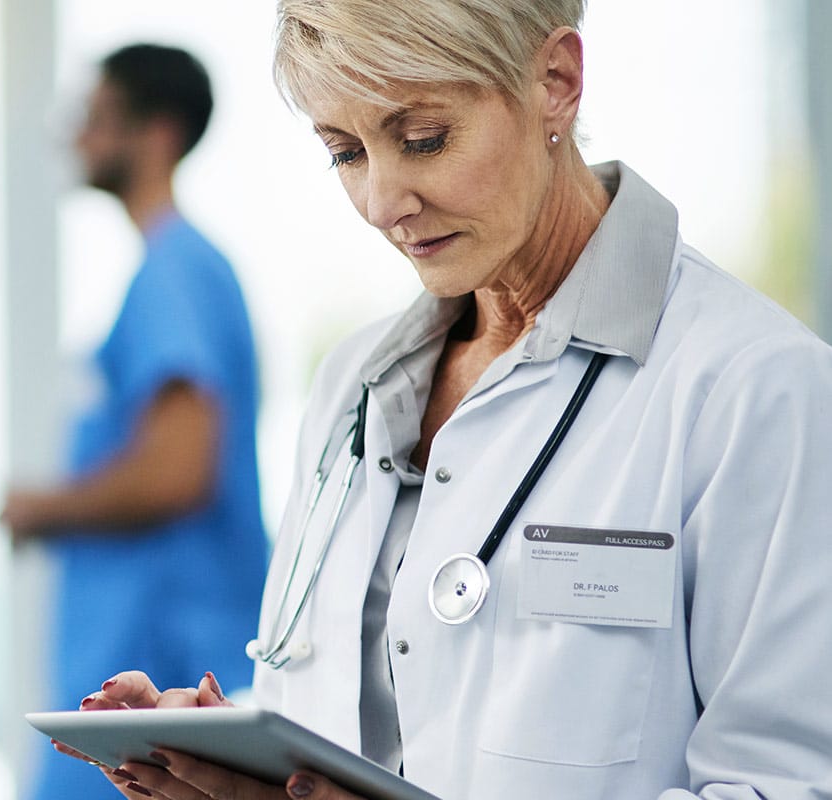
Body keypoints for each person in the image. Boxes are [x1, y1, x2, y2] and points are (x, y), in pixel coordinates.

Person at [56, 2, 832, 799]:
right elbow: (357, 722)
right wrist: (234, 763)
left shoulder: (755, 388)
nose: (382, 203)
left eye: (423, 138)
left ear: (555, 83)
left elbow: (786, 785)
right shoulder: (352, 385)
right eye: (345, 154)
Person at [1, 44, 269, 800]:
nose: (76, 137)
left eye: (96, 119)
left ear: (156, 134)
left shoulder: (175, 273)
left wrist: (40, 509)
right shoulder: (169, 273)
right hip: (143, 662)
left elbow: (177, 471)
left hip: (157, 670)